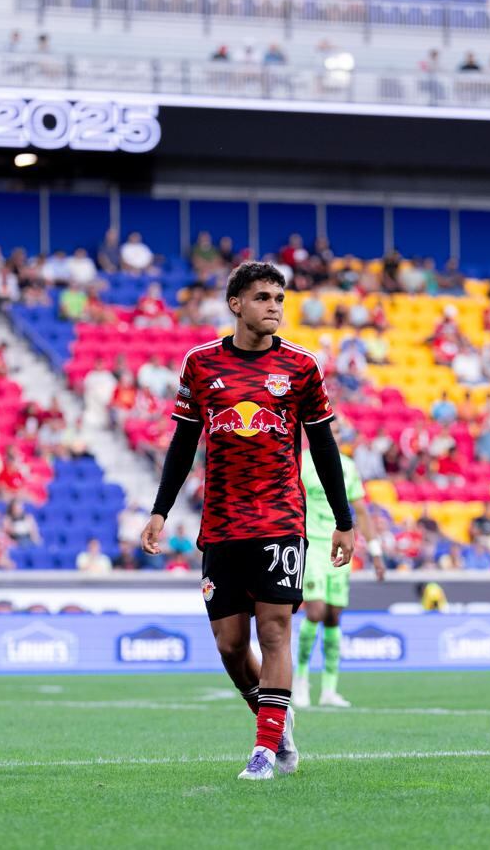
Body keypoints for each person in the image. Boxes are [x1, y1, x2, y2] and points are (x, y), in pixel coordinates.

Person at [141, 261, 356, 781]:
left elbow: (324, 445)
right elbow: (183, 443)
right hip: (220, 524)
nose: (274, 307)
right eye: (263, 298)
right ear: (236, 304)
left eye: (279, 299)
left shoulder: (302, 367)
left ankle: (263, 751)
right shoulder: (201, 363)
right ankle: (275, 721)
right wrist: (160, 510)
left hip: (280, 518)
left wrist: (344, 521)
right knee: (232, 647)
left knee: (276, 631)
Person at [293, 436, 386, 709]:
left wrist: (376, 551)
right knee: (315, 611)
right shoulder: (301, 461)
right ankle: (300, 680)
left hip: (341, 546)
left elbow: (361, 511)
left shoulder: (347, 466)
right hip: (311, 545)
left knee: (333, 616)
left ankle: (329, 689)